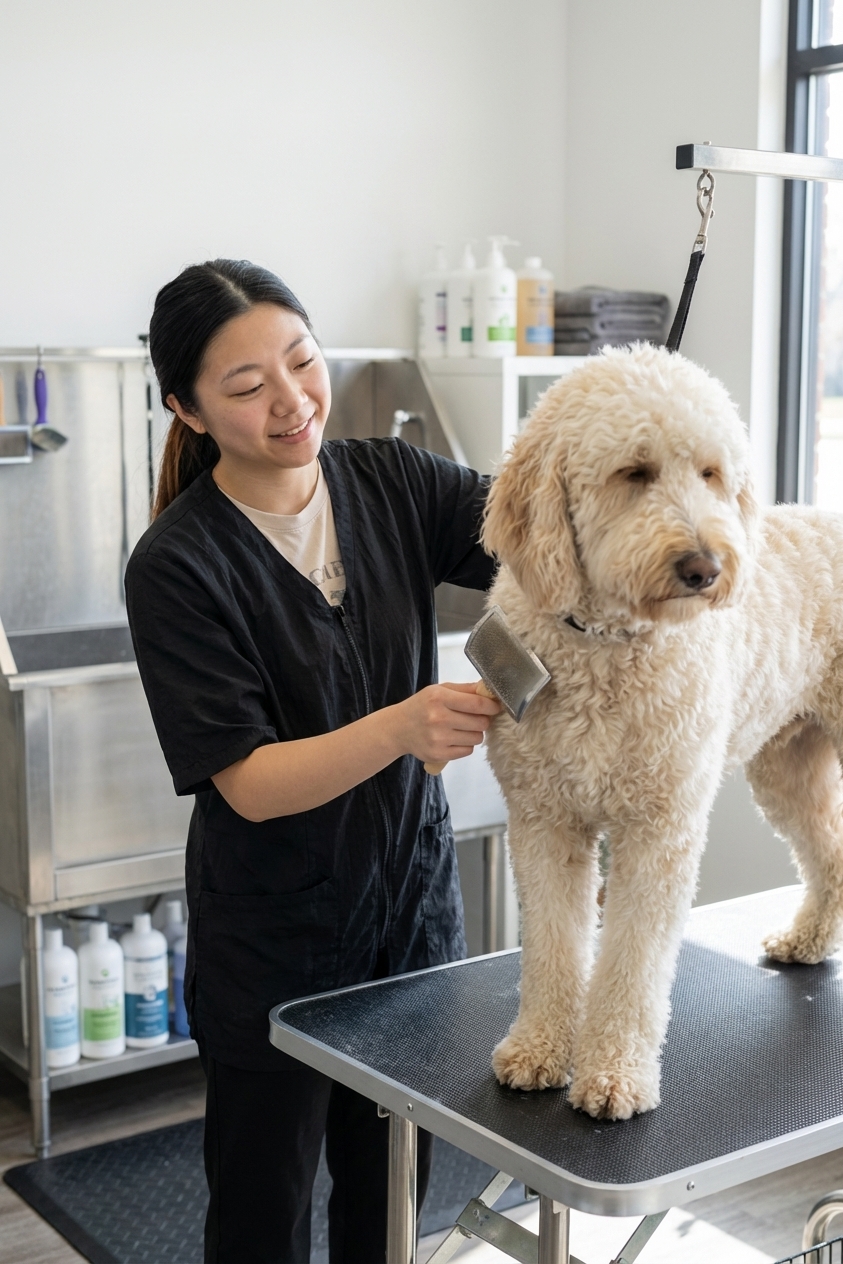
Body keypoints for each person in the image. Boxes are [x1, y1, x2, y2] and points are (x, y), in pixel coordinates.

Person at [125, 258, 501, 1264]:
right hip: (273, 944)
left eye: (302, 360)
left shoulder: (394, 480)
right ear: (188, 409)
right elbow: (246, 781)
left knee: (389, 1200)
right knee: (263, 1209)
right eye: (247, 387)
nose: (292, 400)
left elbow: (533, 536)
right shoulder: (178, 563)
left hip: (409, 918)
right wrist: (401, 727)